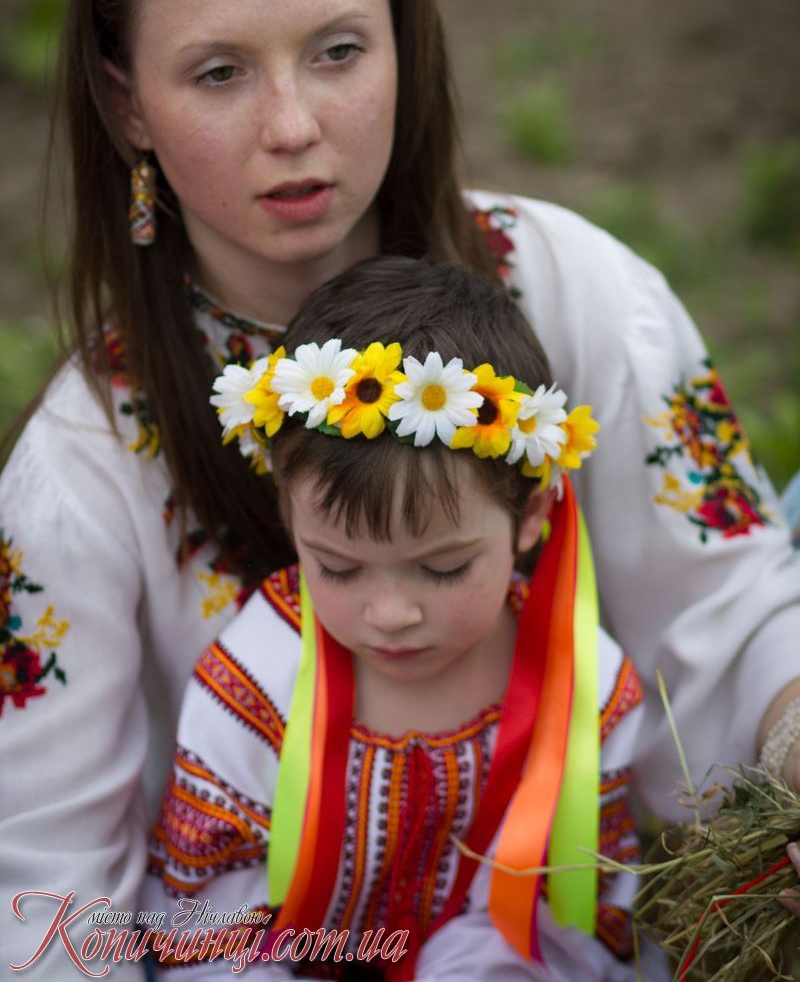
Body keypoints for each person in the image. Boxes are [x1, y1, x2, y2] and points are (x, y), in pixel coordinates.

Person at [0, 0, 797, 980]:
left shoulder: (575, 290)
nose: (292, 127)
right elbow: (46, 889)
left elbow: (726, 614)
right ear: (129, 109)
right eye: (217, 73)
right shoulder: (83, 463)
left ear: (402, 47)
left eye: (338, 51)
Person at [140, 254, 654, 982]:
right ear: (290, 517)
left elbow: (584, 902)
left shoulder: (583, 690)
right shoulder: (253, 689)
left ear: (532, 513)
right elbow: (202, 925)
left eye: (443, 568)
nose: (390, 615)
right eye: (338, 567)